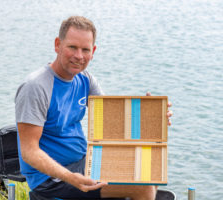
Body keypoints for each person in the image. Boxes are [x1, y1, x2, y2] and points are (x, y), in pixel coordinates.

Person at [15, 16, 173, 200]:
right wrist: (71, 178)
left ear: (93, 51)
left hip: (84, 163)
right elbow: (29, 151)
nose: (79, 56)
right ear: (57, 45)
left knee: (146, 176)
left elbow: (113, 123)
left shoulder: (85, 79)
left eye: (85, 50)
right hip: (50, 179)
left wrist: (151, 117)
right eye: (72, 47)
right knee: (142, 188)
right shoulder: (36, 87)